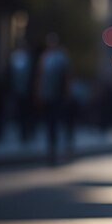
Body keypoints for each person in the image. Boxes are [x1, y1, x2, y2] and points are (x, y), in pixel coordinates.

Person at [37, 33, 70, 165]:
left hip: (58, 96)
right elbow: (40, 77)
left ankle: (58, 151)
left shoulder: (61, 58)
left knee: (57, 124)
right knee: (50, 124)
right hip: (48, 96)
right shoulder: (45, 58)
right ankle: (52, 150)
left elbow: (67, 77)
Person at [8, 40, 34, 143]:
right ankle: (22, 133)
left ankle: (26, 132)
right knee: (19, 113)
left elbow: (31, 74)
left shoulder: (27, 58)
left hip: (26, 91)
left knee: (26, 113)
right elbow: (10, 74)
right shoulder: (14, 58)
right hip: (17, 90)